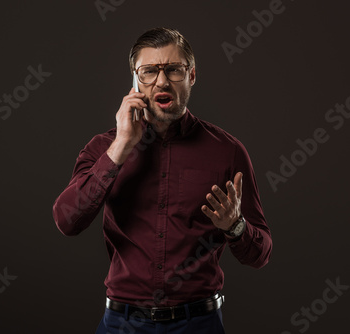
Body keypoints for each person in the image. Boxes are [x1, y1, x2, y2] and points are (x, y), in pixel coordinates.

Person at [52, 27, 272, 334]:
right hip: (122, 324)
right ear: (134, 79)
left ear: (191, 76)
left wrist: (235, 226)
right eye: (149, 71)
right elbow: (67, 221)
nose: (162, 80)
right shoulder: (104, 147)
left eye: (173, 70)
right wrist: (121, 147)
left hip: (199, 324)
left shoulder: (228, 152)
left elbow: (260, 254)